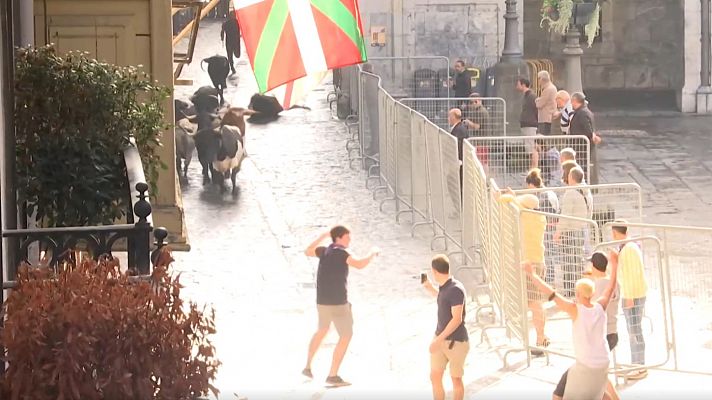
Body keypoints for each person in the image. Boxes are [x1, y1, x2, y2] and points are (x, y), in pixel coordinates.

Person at [523, 256, 620, 400]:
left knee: (560, 395)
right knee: (599, 394)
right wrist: (615, 264)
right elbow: (610, 287)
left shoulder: (575, 310)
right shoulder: (600, 306)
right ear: (592, 294)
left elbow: (551, 293)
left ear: (578, 294)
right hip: (603, 363)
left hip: (586, 366)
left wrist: (532, 274)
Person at [302, 226, 379, 386]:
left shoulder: (324, 251)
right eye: (347, 237)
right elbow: (359, 264)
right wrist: (372, 253)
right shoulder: (343, 254)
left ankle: (308, 365)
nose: (349, 240)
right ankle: (333, 375)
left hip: (322, 301)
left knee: (322, 330)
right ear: (339, 238)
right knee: (346, 335)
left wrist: (323, 236)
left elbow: (307, 250)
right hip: (338, 303)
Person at [498, 191, 549, 355]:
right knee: (536, 302)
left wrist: (511, 195)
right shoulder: (540, 217)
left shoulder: (524, 214)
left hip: (529, 264)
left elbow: (504, 199)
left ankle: (540, 339)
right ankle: (541, 336)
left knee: (534, 303)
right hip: (539, 261)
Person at [422, 255, 469, 400]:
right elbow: (443, 299)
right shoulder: (445, 288)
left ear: (435, 271)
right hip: (441, 339)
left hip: (456, 342)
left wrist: (438, 339)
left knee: (456, 379)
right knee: (435, 376)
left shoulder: (455, 289)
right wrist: (430, 288)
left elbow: (457, 319)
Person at [611, 221, 649, 380]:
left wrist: (629, 298)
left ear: (615, 232)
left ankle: (639, 366)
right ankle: (637, 364)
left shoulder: (628, 250)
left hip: (633, 295)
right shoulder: (629, 247)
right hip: (633, 294)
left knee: (634, 331)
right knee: (634, 330)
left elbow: (631, 276)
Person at [555, 167, 593, 298]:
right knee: (578, 260)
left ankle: (570, 290)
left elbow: (565, 216)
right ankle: (579, 288)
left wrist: (558, 233)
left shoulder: (570, 193)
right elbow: (590, 213)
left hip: (570, 231)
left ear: (571, 177)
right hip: (582, 229)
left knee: (568, 261)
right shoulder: (587, 192)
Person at [525, 168, 560, 286]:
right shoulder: (550, 193)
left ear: (531, 184)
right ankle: (549, 280)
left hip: (546, 228)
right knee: (550, 254)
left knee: (546, 255)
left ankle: (547, 281)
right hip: (552, 226)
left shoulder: (541, 197)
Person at [569, 92, 602, 184]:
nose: (571, 104)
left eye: (572, 101)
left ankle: (582, 184)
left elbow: (587, 128)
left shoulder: (582, 113)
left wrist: (592, 136)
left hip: (581, 146)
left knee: (581, 166)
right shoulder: (585, 111)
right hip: (582, 145)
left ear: (575, 101)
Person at [516, 77, 538, 169]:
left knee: (531, 147)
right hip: (526, 124)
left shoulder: (532, 96)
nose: (516, 86)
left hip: (530, 124)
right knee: (529, 147)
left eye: (518, 84)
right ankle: (532, 168)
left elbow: (536, 109)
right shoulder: (526, 96)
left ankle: (534, 168)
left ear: (523, 85)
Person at [535, 71, 557, 135]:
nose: (538, 81)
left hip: (545, 117)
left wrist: (537, 100)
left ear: (542, 79)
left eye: (538, 78)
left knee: (543, 138)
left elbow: (540, 104)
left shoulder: (548, 89)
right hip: (549, 117)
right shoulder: (551, 88)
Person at [221, 10, 241, 75]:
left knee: (237, 55)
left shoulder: (238, 22)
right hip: (230, 42)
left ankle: (231, 65)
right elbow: (222, 31)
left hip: (235, 41)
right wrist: (222, 38)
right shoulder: (228, 23)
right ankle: (232, 67)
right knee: (230, 56)